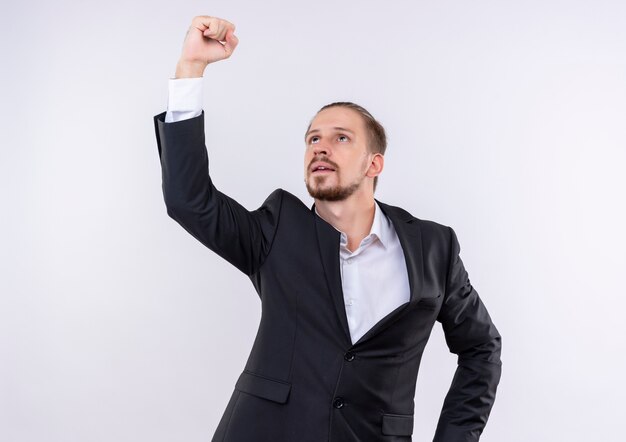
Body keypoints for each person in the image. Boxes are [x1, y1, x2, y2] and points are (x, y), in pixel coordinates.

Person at [153, 15, 502, 442]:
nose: (320, 146)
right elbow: (189, 200)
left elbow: (482, 349)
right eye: (312, 138)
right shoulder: (277, 231)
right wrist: (191, 69)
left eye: (340, 138)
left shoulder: (434, 247)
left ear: (374, 164)